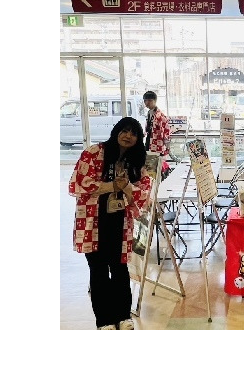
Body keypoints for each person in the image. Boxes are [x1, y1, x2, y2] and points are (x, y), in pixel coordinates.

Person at [69, 117, 152, 330]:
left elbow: (143, 192)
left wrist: (126, 187)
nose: (128, 136)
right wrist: (111, 186)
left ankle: (123, 316)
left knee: (120, 269)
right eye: (124, 131)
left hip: (120, 221)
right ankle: (104, 320)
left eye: (133, 133)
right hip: (93, 220)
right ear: (116, 132)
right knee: (98, 270)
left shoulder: (136, 160)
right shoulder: (94, 152)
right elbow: (79, 183)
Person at [143, 90, 171, 157]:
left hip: (157, 144)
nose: (147, 103)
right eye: (145, 100)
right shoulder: (149, 113)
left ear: (155, 101)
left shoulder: (160, 115)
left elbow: (166, 132)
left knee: (156, 161)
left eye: (149, 100)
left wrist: (167, 147)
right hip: (150, 141)